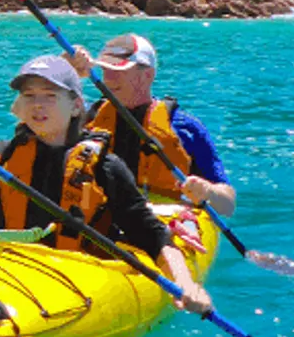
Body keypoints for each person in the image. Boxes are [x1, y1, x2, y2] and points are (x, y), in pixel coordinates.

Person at [0, 54, 212, 313]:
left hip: (72, 278)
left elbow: (152, 235)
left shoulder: (104, 166)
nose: (37, 104)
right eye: (29, 95)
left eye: (49, 95)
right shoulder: (3, 153)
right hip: (4, 269)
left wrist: (186, 284)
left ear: (76, 106)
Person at [66, 33, 236, 216]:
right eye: (106, 70)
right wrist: (66, 71)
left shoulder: (185, 128)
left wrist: (208, 191)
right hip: (102, 215)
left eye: (118, 71)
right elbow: (39, 128)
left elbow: (228, 205)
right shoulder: (88, 118)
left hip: (163, 220)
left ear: (147, 75)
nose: (109, 79)